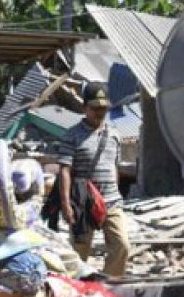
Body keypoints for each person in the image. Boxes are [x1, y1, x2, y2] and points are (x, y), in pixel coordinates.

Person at [56, 82, 130, 277]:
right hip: (83, 204)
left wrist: (116, 191)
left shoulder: (114, 135)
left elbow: (114, 166)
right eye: (95, 108)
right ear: (84, 107)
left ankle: (110, 283)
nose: (100, 112)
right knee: (80, 253)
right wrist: (66, 205)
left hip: (111, 202)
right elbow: (65, 171)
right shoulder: (72, 135)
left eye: (104, 108)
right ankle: (77, 288)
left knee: (122, 245)